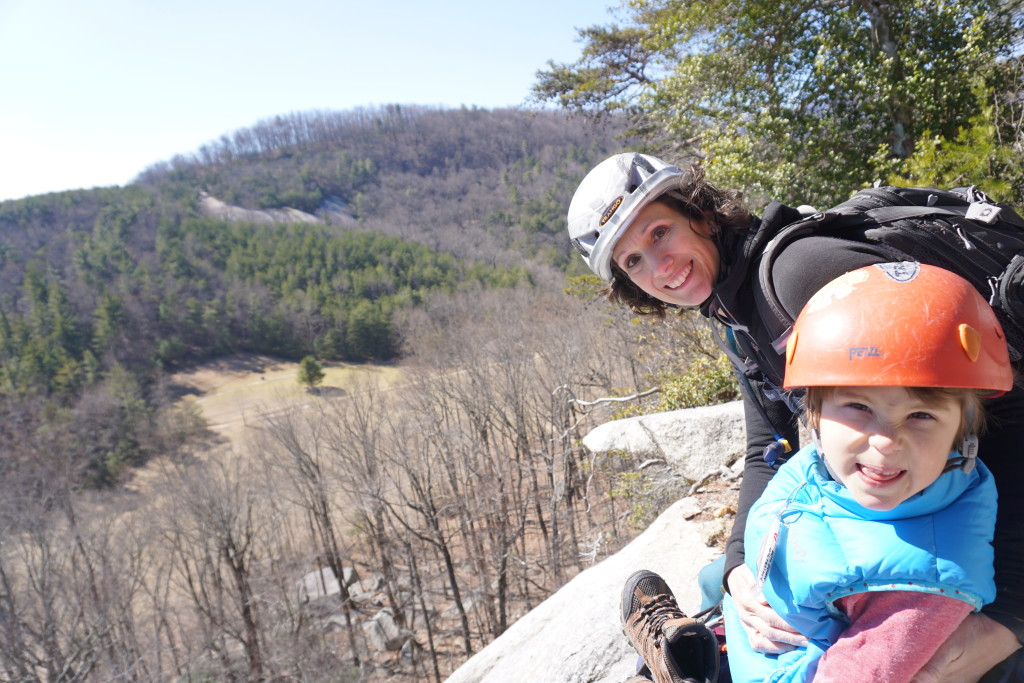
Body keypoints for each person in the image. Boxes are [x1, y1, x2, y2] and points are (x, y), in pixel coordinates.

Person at [566, 153, 1024, 680]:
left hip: (962, 508)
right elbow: (768, 449)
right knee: (726, 580)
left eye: (659, 232)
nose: (659, 266)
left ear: (702, 214)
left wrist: (1009, 613)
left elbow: (1005, 416)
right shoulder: (737, 315)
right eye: (633, 262)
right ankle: (714, 645)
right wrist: (741, 567)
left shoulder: (800, 278)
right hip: (918, 489)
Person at [723, 261, 1007, 682]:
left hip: (797, 671)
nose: (886, 442)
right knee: (714, 578)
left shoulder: (926, 583)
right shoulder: (819, 468)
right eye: (859, 408)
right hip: (766, 634)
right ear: (815, 418)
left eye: (921, 416)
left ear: (960, 437)